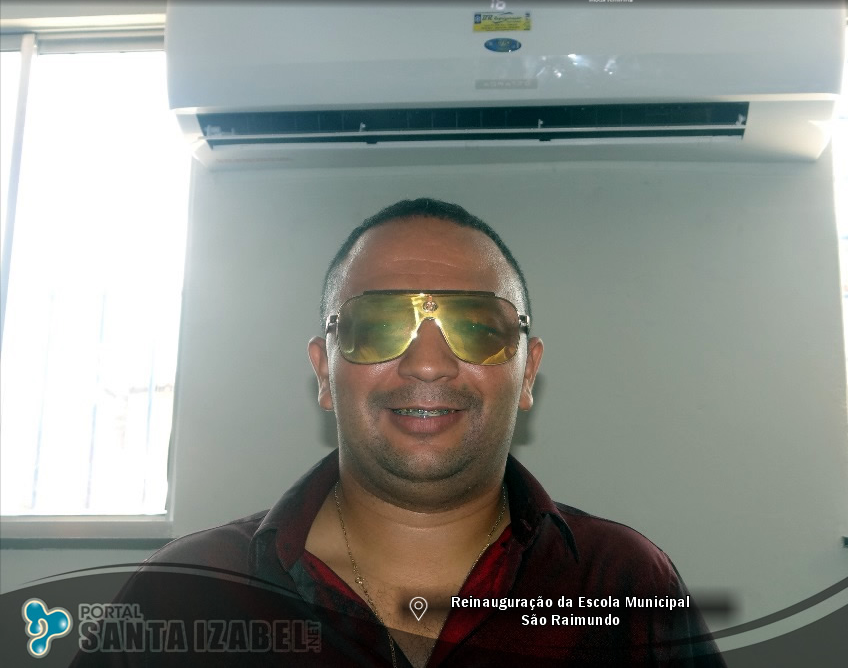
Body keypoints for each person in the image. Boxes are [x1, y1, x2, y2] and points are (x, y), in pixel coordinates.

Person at [75, 198, 725, 667]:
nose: (427, 363)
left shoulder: (622, 582)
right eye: (378, 326)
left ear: (527, 372)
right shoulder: (186, 590)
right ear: (324, 372)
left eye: (477, 327)